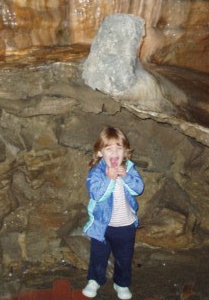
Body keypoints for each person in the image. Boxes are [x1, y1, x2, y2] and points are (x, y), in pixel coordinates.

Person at [82, 126, 145, 299]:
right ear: (101, 153)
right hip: (103, 226)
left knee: (124, 258)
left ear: (126, 152)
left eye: (119, 148)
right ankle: (94, 280)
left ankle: (121, 283)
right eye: (109, 149)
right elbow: (97, 194)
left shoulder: (129, 168)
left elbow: (138, 189)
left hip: (126, 225)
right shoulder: (96, 172)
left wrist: (125, 176)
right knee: (98, 256)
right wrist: (109, 179)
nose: (114, 153)